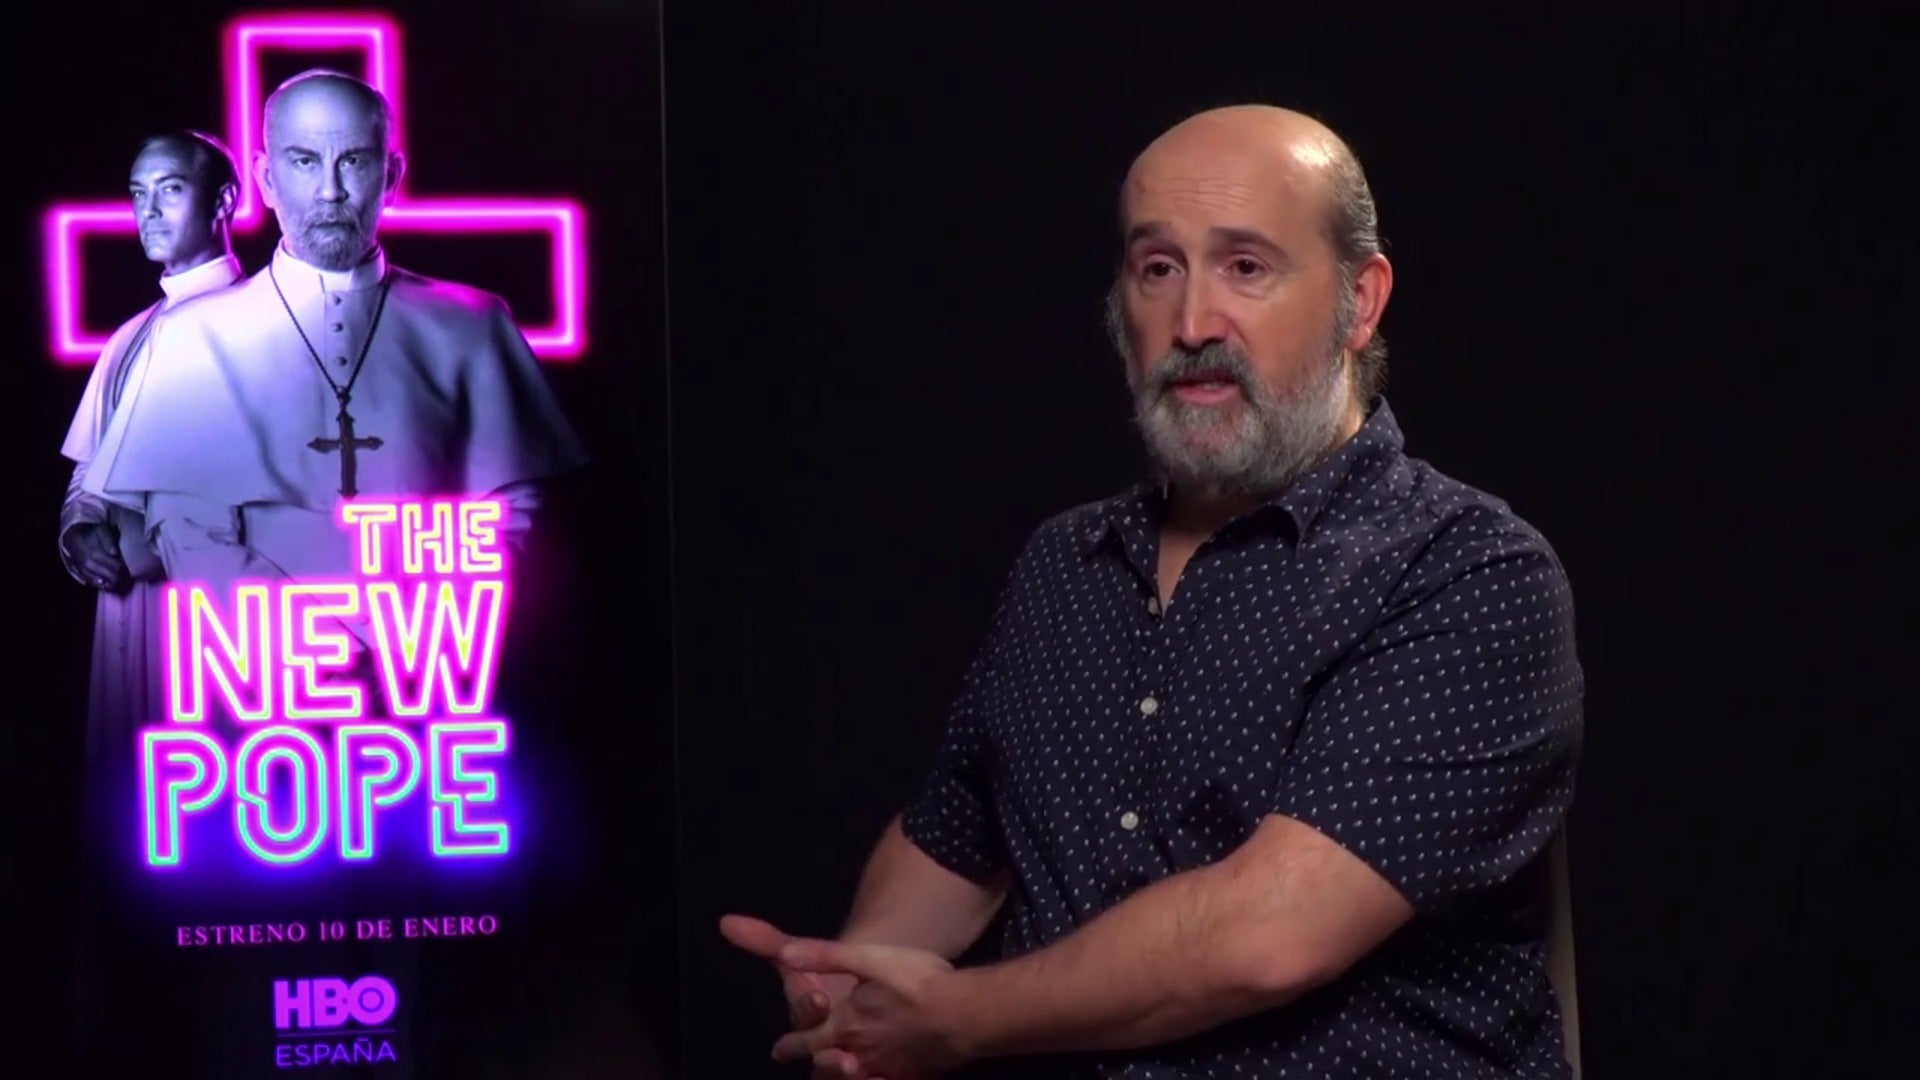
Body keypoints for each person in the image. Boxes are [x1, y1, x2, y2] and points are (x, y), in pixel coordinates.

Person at [723, 104, 1585, 1078]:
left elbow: (1271, 934)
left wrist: (957, 1017)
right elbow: (952, 844)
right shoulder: (1063, 565)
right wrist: (853, 982)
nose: (1193, 324)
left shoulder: (1468, 572)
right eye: (1159, 268)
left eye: (1246, 267)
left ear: (1360, 302)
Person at [81, 68, 585, 616]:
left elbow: (512, 510)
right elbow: (187, 530)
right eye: (304, 161)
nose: (330, 191)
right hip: (258, 657)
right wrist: (325, 642)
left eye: (354, 161)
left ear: (391, 176)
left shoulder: (473, 326)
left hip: (438, 654)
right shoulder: (190, 337)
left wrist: (428, 631)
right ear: (266, 179)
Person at [59, 130, 242, 766]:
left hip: (214, 608)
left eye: (170, 190)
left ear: (224, 200)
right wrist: (79, 533)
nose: (149, 211)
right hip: (126, 608)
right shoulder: (130, 335)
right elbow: (90, 469)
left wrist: (161, 541)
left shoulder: (263, 322)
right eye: (139, 194)